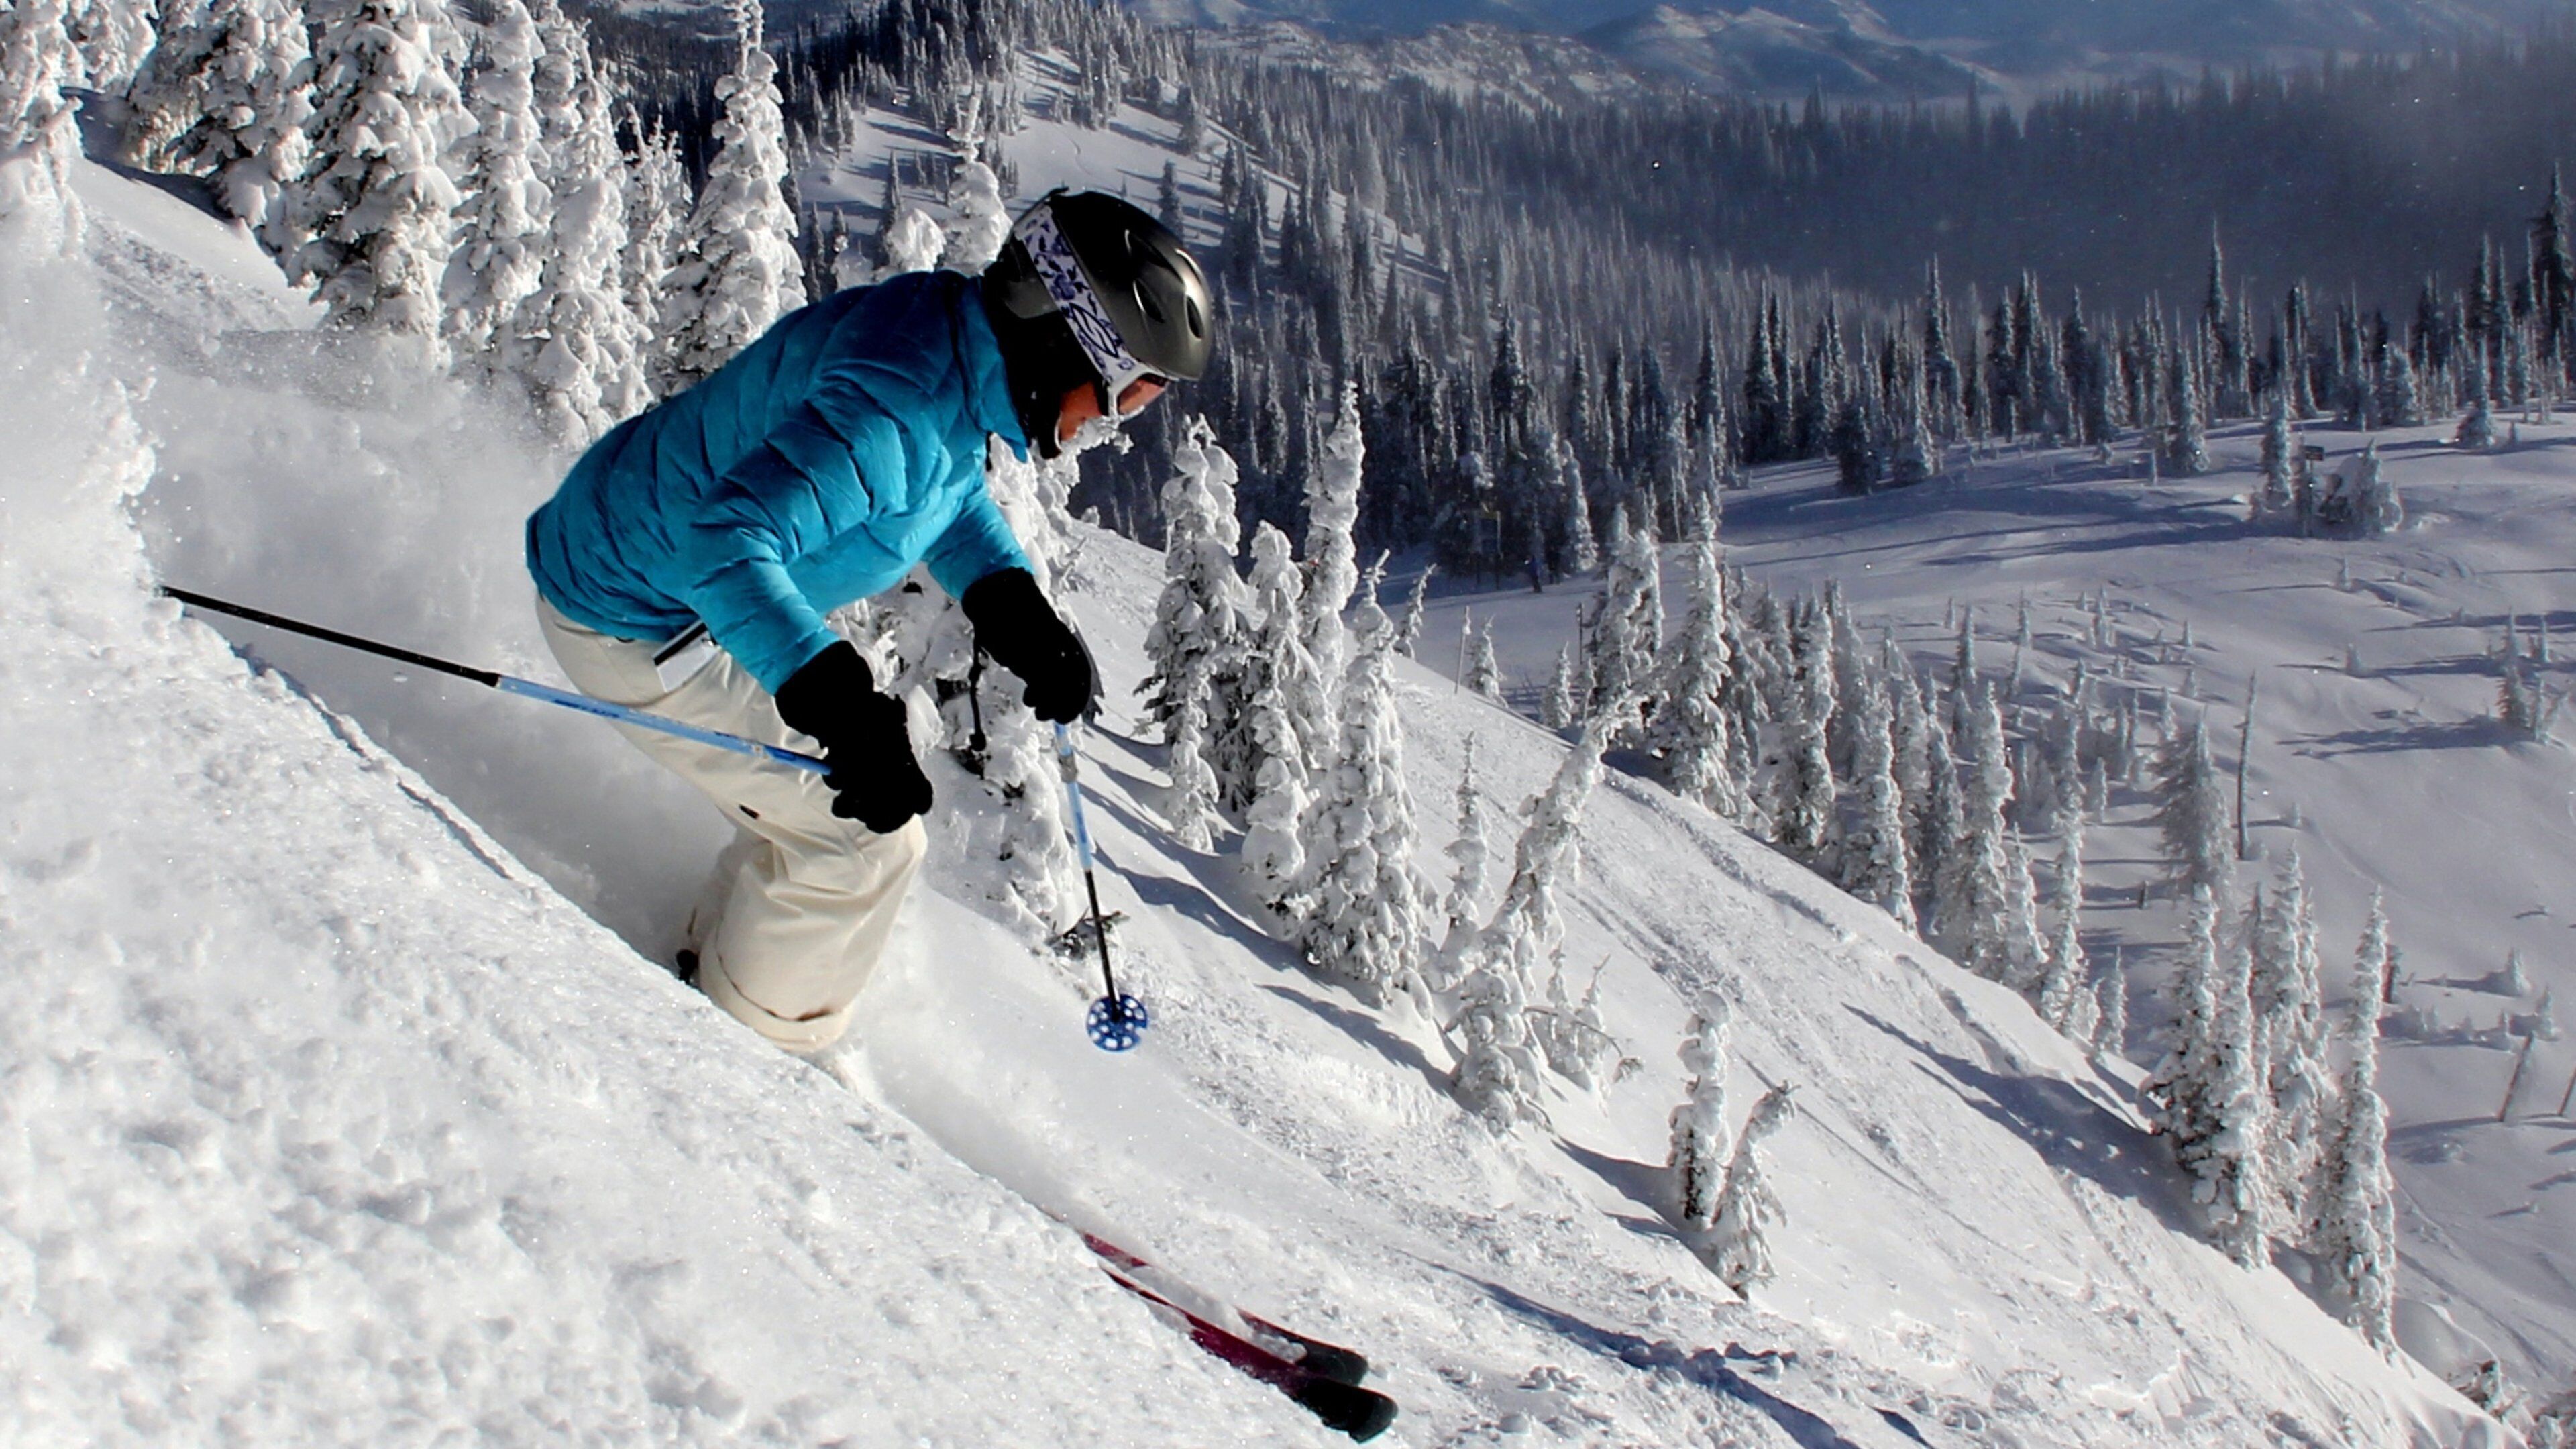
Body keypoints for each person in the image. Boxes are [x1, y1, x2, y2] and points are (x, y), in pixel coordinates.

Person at [524, 190, 1213, 1052]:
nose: (1108, 429)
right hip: (639, 622)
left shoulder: (943, 346)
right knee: (865, 844)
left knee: (832, 815)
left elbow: (941, 487)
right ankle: (740, 1059)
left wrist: (1014, 603)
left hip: (648, 572)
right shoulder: (897, 405)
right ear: (1063, 340)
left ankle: (717, 971)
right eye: (1122, 400)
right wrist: (841, 704)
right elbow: (723, 547)